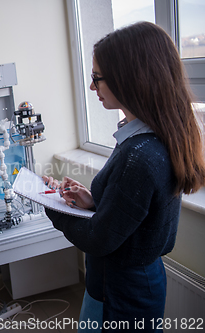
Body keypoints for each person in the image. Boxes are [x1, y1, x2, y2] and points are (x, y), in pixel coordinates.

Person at [42, 22, 205, 332]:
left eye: (96, 78)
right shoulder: (149, 139)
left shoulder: (140, 155)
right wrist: (95, 203)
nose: (92, 87)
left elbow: (98, 239)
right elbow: (134, 214)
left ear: (130, 79)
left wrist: (48, 203)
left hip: (122, 292)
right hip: (127, 281)